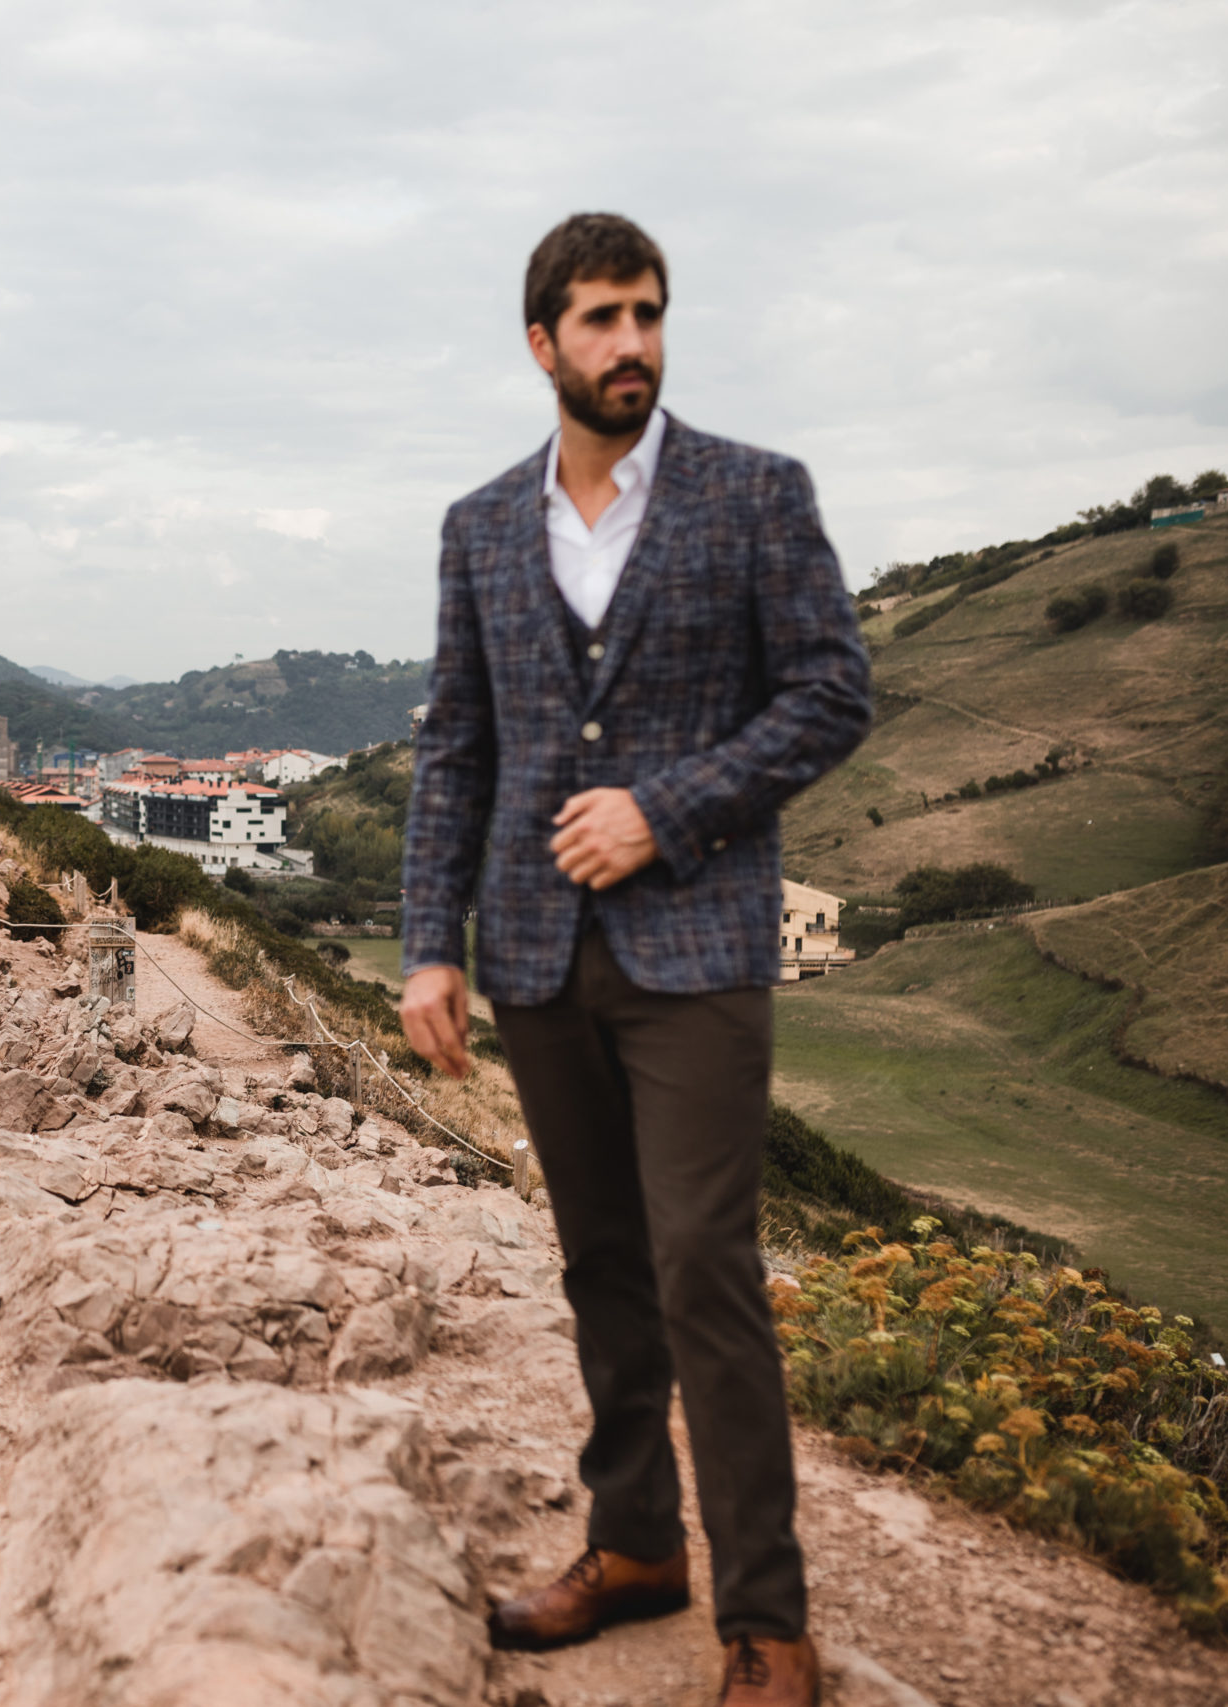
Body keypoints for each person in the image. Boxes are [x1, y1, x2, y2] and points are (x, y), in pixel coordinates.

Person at [398, 214, 871, 1707]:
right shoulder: (480, 525)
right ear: (542, 343)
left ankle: (769, 1619)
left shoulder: (753, 495)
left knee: (703, 1266)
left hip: (700, 950)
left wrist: (667, 810)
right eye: (600, 319)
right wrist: (428, 945)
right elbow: (457, 747)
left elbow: (830, 693)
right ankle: (634, 1543)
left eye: (649, 315)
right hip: (537, 956)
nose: (633, 345)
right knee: (600, 1258)